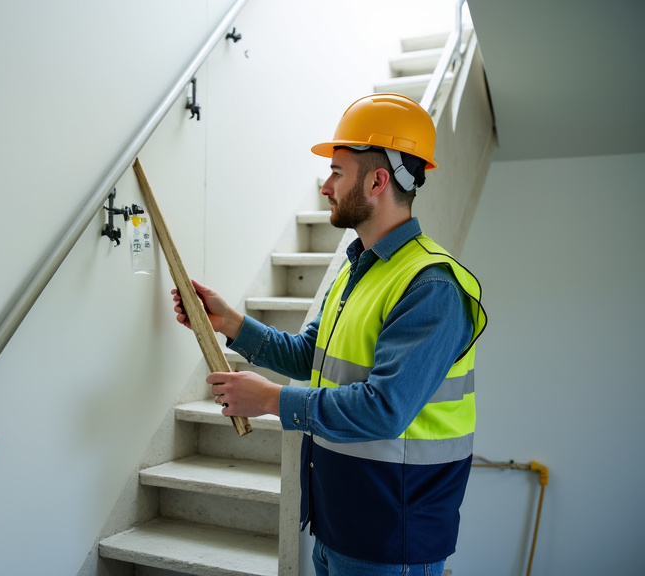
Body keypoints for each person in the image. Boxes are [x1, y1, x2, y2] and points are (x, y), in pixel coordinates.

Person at [172, 93, 487, 576]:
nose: (325, 185)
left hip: (392, 538)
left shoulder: (432, 286)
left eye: (338, 172)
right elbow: (309, 355)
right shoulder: (358, 266)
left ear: (378, 181)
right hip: (338, 522)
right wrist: (229, 322)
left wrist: (273, 401)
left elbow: (384, 410)